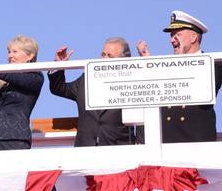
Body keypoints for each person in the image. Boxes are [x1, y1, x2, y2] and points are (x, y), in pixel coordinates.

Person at [137, 10, 222, 143]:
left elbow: (200, 90)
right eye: (171, 35)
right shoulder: (168, 67)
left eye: (177, 35)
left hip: (196, 143)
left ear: (193, 37)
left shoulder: (213, 64)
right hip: (166, 144)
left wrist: (182, 62)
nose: (172, 40)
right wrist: (148, 63)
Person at [48, 37, 134, 147]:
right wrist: (58, 65)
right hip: (85, 150)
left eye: (110, 56)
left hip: (119, 151)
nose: (104, 59)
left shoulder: (131, 83)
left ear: (124, 60)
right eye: (103, 55)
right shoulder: (87, 79)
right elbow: (58, 88)